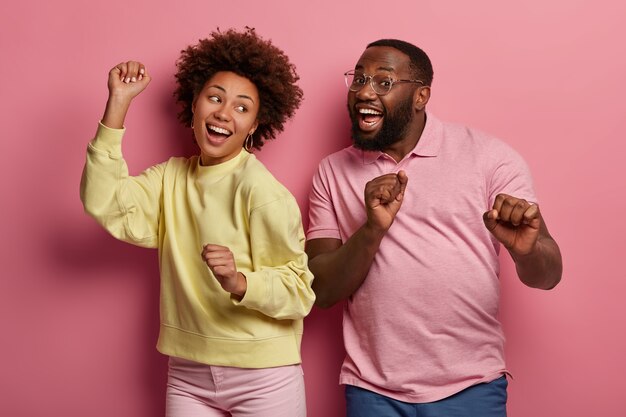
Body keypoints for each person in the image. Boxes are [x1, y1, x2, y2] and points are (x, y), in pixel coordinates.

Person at [306, 39, 562, 417]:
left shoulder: (490, 157)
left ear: (421, 95)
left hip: (470, 385)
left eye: (383, 82)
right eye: (358, 78)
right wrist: (372, 229)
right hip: (372, 389)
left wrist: (526, 250)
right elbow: (321, 289)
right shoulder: (331, 172)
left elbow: (549, 275)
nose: (364, 91)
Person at [80, 28, 315, 417]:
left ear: (256, 124)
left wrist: (240, 282)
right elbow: (103, 201)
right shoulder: (170, 178)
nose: (224, 113)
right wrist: (118, 104)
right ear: (194, 105)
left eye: (242, 107)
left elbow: (299, 291)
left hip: (263, 375)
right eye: (215, 98)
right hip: (188, 373)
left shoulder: (262, 192)